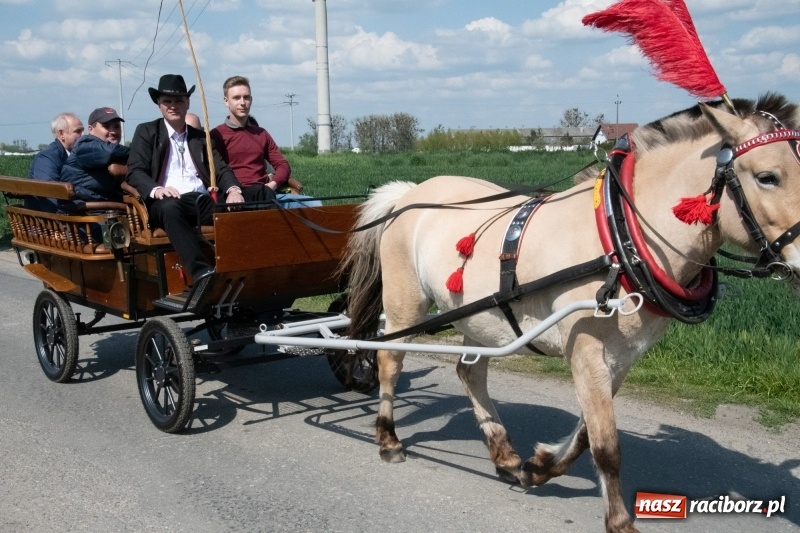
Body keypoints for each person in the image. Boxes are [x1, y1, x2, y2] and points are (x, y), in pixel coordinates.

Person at [126, 74, 245, 288]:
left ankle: (260, 263)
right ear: (159, 104)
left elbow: (221, 169)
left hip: (201, 201)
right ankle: (202, 274)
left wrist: (233, 189)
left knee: (259, 196)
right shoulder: (146, 132)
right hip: (166, 203)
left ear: (187, 103)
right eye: (167, 101)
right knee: (171, 207)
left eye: (179, 101)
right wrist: (156, 189)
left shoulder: (200, 138)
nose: (173, 106)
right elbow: (135, 172)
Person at [210, 75, 321, 207]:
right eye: (236, 98)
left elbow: (282, 165)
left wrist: (272, 185)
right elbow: (216, 171)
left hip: (267, 193)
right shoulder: (217, 135)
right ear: (226, 101)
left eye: (246, 97)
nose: (242, 102)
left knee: (314, 204)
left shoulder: (262, 134)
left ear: (251, 100)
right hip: (238, 198)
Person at [59, 107, 129, 207]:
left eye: (117, 127)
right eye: (106, 126)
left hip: (105, 207)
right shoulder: (85, 146)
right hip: (84, 211)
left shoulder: (118, 153)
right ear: (91, 129)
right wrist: (139, 153)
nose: (113, 131)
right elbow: (109, 152)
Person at [25, 112, 84, 211]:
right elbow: (49, 195)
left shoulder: (72, 155)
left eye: (83, 130)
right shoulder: (47, 158)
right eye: (78, 131)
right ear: (62, 134)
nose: (84, 134)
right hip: (49, 218)